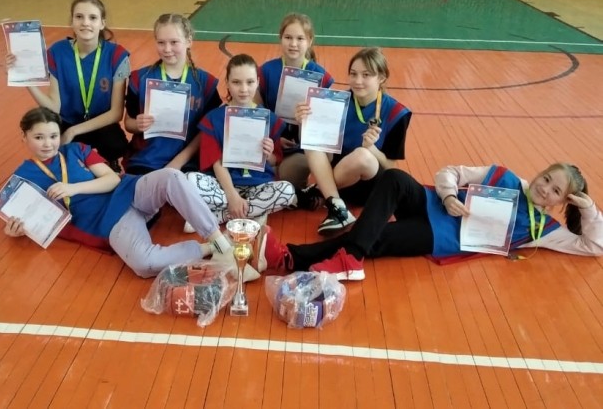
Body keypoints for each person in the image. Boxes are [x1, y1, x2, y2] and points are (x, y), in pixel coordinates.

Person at [4, 107, 244, 279]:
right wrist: (13, 230)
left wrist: (72, 188)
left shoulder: (76, 150)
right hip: (108, 221)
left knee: (171, 176)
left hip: (128, 191)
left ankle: (220, 241)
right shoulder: (21, 178)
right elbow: (22, 216)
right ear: (23, 137)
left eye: (53, 136)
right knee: (144, 264)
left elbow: (110, 179)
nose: (48, 144)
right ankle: (207, 249)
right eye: (39, 137)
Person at [250, 163, 603, 280]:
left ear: (562, 201)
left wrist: (588, 210)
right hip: (434, 204)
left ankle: (290, 257)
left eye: (556, 191)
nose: (545, 189)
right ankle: (351, 260)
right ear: (540, 172)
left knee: (379, 236)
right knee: (394, 178)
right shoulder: (504, 177)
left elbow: (594, 245)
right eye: (547, 179)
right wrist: (449, 196)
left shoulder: (543, 229)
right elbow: (450, 172)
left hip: (440, 237)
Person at [295, 47, 411, 235]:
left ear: (381, 78)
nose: (358, 81)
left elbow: (391, 167)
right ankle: (338, 208)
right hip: (338, 180)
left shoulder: (396, 113)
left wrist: (371, 148)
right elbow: (312, 145)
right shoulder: (335, 102)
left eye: (366, 75)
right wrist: (304, 123)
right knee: (313, 142)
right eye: (353, 74)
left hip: (367, 187)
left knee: (362, 156)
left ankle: (318, 192)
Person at [7, 0, 129, 170]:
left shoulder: (117, 55)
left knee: (115, 144)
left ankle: (109, 161)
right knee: (52, 142)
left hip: (100, 123)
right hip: (67, 121)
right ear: (72, 21)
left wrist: (73, 131)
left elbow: (116, 113)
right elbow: (54, 107)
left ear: (102, 23)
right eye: (79, 17)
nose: (85, 22)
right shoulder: (57, 52)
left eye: (92, 17)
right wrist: (24, 78)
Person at [186, 54, 297, 226]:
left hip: (258, 185)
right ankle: (251, 211)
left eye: (250, 82)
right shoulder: (213, 119)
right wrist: (232, 196)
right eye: (236, 82)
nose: (244, 89)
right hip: (223, 186)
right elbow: (216, 163)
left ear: (258, 82)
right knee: (189, 180)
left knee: (288, 191)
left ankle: (221, 216)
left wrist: (268, 154)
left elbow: (275, 160)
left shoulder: (269, 118)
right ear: (227, 83)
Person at [123, 13, 220, 175]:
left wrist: (178, 162)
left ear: (189, 41)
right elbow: (128, 123)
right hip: (147, 158)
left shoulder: (206, 83)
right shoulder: (139, 79)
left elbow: (206, 132)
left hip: (188, 161)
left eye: (174, 42)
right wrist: (138, 125)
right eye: (161, 42)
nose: (167, 49)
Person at [255, 13, 334, 190]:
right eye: (288, 37)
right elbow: (257, 112)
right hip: (270, 142)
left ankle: (290, 177)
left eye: (300, 38)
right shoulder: (266, 71)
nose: (293, 44)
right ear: (280, 38)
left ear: (310, 41)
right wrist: (275, 138)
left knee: (288, 175)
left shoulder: (321, 76)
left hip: (303, 148)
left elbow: (324, 126)